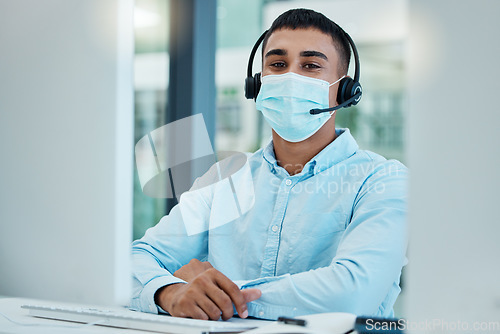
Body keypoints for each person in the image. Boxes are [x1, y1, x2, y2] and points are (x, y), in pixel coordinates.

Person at [130, 8, 408, 321]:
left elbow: (353, 293)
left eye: (311, 65)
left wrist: (218, 294)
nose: (290, 77)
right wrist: (170, 292)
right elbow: (135, 259)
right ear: (257, 84)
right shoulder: (225, 177)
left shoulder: (383, 180)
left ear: (345, 90)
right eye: (277, 64)